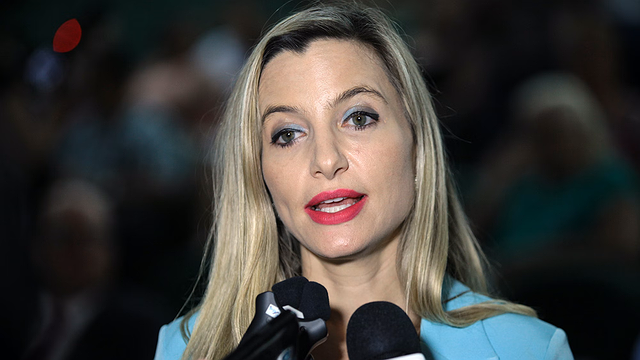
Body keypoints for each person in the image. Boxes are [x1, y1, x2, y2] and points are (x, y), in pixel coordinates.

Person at [154, 3, 573, 360]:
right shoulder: (183, 348)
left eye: (358, 118)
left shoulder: (526, 348)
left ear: (416, 142)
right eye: (287, 134)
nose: (326, 160)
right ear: (258, 172)